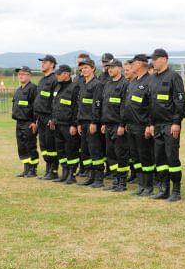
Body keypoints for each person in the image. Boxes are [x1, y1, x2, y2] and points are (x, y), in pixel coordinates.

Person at [147, 48, 185, 201]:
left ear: (164, 59)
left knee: (172, 158)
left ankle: (176, 190)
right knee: (160, 159)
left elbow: (180, 102)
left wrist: (176, 122)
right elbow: (150, 104)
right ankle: (164, 188)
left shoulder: (173, 77)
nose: (152, 62)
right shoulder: (153, 78)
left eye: (155, 59)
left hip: (170, 125)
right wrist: (150, 123)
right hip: (157, 126)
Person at [93, 58, 130, 191]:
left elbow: (124, 107)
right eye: (108, 67)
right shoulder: (107, 84)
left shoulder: (125, 84)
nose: (110, 69)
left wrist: (122, 124)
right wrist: (103, 122)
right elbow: (104, 105)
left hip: (118, 126)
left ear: (120, 69)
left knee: (121, 154)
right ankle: (116, 179)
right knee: (111, 155)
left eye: (113, 67)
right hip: (108, 125)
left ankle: (122, 182)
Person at [123, 54, 156, 196]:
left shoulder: (150, 81)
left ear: (140, 64)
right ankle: (141, 185)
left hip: (142, 126)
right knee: (135, 157)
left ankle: (148, 186)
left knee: (145, 156)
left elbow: (152, 106)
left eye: (133, 63)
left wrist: (150, 124)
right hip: (131, 125)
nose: (130, 66)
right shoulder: (133, 81)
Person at [75, 58, 104, 186]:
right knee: (85, 151)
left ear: (93, 68)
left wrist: (94, 122)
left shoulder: (97, 84)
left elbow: (97, 105)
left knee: (95, 150)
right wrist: (79, 123)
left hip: (92, 123)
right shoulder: (83, 84)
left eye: (86, 67)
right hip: (83, 122)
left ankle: (99, 178)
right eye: (82, 68)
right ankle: (90, 175)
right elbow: (80, 105)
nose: (84, 70)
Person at [50, 65, 80, 184]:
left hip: (68, 125)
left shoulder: (74, 88)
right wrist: (53, 119)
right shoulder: (57, 87)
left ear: (67, 74)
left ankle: (71, 175)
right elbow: (54, 105)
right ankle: (65, 172)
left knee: (70, 149)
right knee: (60, 149)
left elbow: (76, 108)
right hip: (58, 124)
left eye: (59, 73)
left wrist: (73, 124)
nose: (57, 75)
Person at [33, 55, 59, 180]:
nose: (42, 64)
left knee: (51, 145)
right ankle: (48, 169)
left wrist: (53, 118)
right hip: (40, 117)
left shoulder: (55, 80)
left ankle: (53, 170)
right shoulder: (42, 80)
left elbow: (55, 101)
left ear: (52, 65)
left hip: (49, 118)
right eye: (42, 62)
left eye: (45, 62)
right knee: (43, 145)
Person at [12, 66, 39, 178]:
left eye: (23, 73)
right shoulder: (19, 90)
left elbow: (36, 107)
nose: (21, 76)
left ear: (29, 75)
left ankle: (33, 169)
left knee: (30, 145)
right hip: (19, 122)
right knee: (21, 146)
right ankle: (26, 167)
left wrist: (35, 122)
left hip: (29, 122)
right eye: (19, 74)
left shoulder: (33, 89)